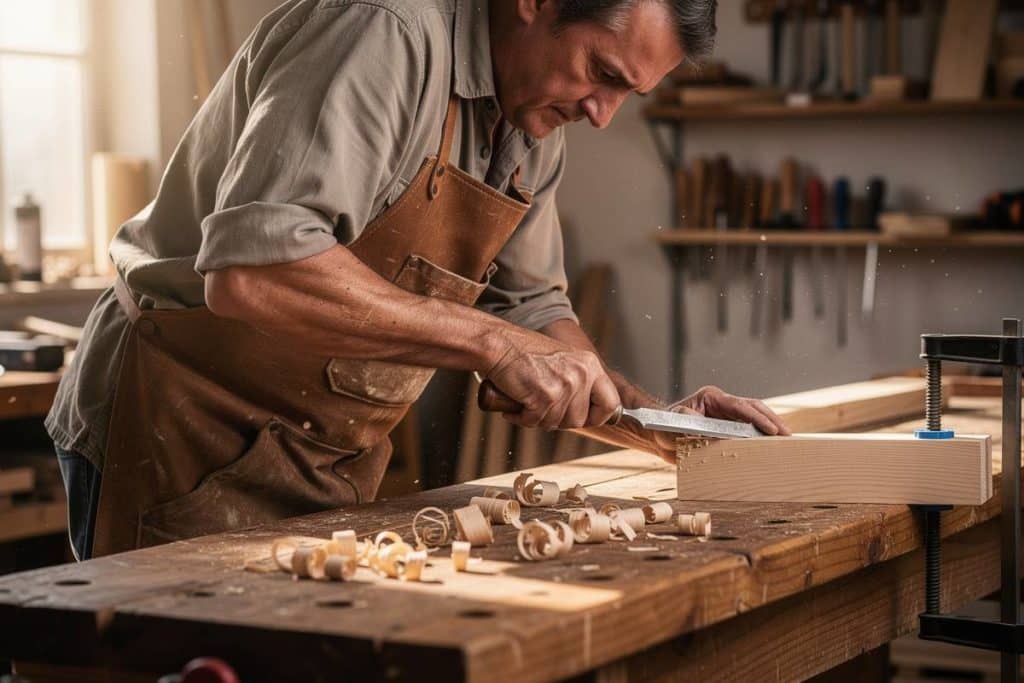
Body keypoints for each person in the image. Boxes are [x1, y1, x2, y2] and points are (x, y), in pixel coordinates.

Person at [48, 0, 788, 560]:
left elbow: (533, 314)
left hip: (320, 455)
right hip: (181, 424)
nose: (602, 115)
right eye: (602, 73)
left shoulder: (532, 123)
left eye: (628, 93)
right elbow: (255, 270)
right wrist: (491, 344)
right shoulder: (385, 31)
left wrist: (662, 426)